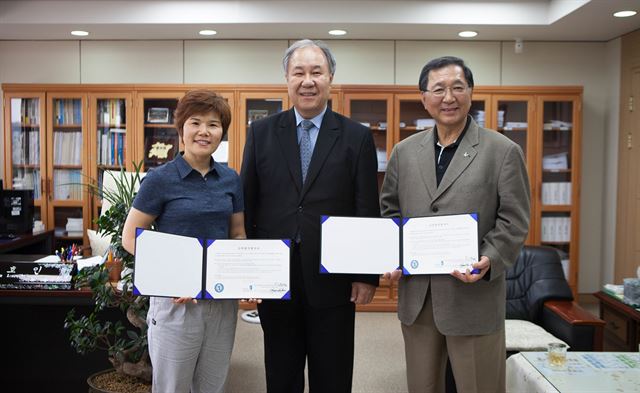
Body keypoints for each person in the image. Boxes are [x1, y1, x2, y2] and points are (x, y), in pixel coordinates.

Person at [380, 56, 530, 393]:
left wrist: (489, 258)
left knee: (480, 386)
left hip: (473, 295)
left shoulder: (502, 151)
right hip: (418, 298)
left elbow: (514, 219)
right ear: (424, 98)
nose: (448, 97)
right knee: (422, 386)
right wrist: (392, 254)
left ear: (471, 93)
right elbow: (389, 210)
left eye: (457, 87)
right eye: (438, 89)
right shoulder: (404, 152)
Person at [241, 39, 380, 392]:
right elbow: (248, 202)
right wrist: (248, 272)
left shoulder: (356, 137)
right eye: (298, 72)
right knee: (281, 373)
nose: (308, 81)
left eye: (316, 72)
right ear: (287, 80)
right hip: (276, 276)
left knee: (332, 375)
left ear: (330, 77)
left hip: (334, 278)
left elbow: (367, 209)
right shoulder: (260, 133)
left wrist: (366, 276)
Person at [122, 90, 245, 393]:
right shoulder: (160, 179)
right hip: (175, 304)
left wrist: (246, 277)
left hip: (220, 303)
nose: (204, 131)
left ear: (222, 133)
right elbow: (130, 238)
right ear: (181, 129)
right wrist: (173, 277)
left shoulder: (231, 179)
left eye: (213, 124)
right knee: (171, 388)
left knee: (212, 386)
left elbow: (238, 234)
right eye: (196, 122)